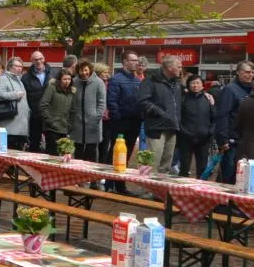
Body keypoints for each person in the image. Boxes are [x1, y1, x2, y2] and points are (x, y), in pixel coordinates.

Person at [137, 55, 183, 173]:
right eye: (178, 67)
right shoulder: (150, 81)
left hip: (172, 127)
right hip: (156, 128)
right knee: (151, 164)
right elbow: (143, 101)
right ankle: (147, 191)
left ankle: (160, 191)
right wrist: (161, 113)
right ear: (169, 67)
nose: (181, 69)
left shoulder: (177, 84)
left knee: (166, 165)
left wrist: (205, 95)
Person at [105, 53, 143, 191]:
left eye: (137, 60)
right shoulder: (116, 79)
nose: (137, 62)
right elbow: (112, 101)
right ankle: (109, 184)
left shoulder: (138, 81)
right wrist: (118, 118)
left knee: (127, 153)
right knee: (115, 152)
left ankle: (121, 184)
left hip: (135, 121)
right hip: (121, 122)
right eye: (133, 60)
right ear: (125, 62)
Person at [215, 61, 254, 182]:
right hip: (231, 142)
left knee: (241, 177)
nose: (250, 75)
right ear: (238, 72)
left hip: (245, 141)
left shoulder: (252, 91)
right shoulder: (230, 90)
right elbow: (222, 115)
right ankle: (222, 201)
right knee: (228, 176)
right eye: (247, 72)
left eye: (253, 72)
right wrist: (223, 139)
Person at [177, 75, 216, 178]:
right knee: (184, 168)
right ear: (188, 85)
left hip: (204, 139)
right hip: (186, 138)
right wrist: (184, 131)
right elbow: (178, 118)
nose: (195, 85)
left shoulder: (208, 99)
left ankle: (200, 192)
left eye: (198, 83)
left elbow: (214, 117)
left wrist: (210, 131)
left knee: (202, 169)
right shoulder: (182, 99)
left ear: (202, 85)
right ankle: (181, 191)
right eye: (192, 83)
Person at [70, 60, 106, 163]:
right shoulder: (75, 82)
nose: (84, 73)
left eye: (86, 70)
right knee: (78, 151)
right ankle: (79, 176)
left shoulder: (98, 82)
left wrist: (96, 117)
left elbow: (102, 103)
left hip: (93, 123)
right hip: (78, 123)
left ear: (90, 70)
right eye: (81, 70)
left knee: (92, 152)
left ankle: (93, 178)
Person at [0, 57, 30, 149]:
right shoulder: (3, 79)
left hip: (20, 126)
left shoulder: (19, 81)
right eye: (17, 66)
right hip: (9, 126)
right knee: (7, 153)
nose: (19, 68)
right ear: (9, 67)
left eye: (21, 67)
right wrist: (15, 94)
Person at [38, 69, 75, 152]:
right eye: (64, 79)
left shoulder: (71, 93)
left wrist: (70, 125)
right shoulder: (52, 89)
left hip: (64, 129)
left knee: (62, 154)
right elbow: (43, 105)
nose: (67, 81)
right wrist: (50, 121)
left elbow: (72, 110)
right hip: (52, 128)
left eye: (69, 79)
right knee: (51, 153)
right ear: (59, 80)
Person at [21, 52, 50, 152]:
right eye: (36, 59)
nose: (39, 61)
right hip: (35, 115)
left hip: (51, 114)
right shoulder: (26, 77)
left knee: (52, 144)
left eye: (40, 58)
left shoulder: (54, 73)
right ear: (32, 61)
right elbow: (25, 97)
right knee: (34, 143)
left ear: (44, 58)